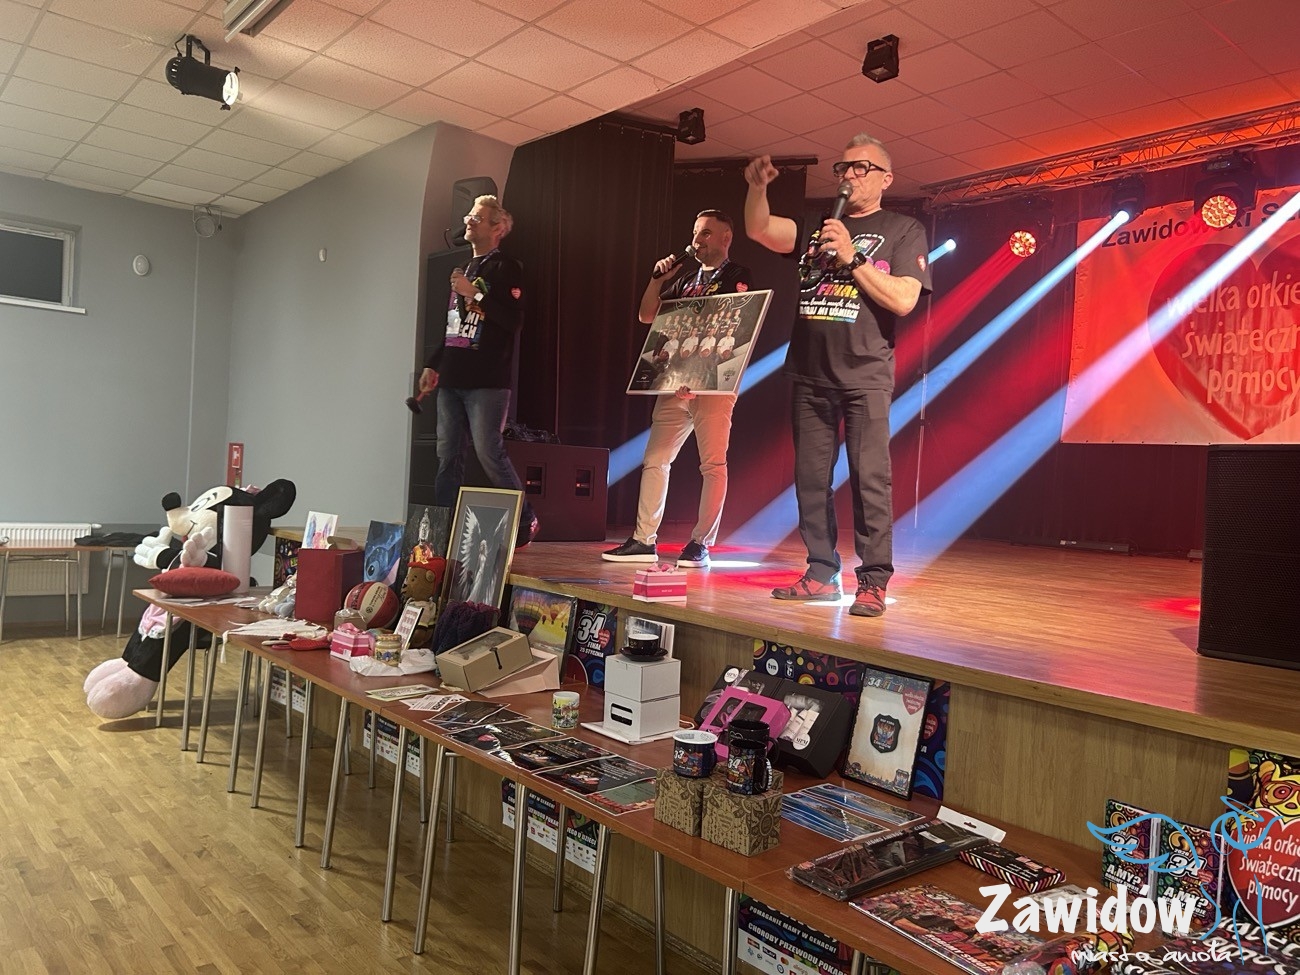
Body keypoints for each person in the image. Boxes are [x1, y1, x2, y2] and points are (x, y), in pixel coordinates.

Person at [744, 135, 931, 616]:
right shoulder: (819, 224)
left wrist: (853, 256)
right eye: (843, 167)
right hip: (810, 375)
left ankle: (873, 580)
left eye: (860, 167)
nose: (848, 175)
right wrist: (757, 189)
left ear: (886, 179)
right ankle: (822, 572)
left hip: (865, 376)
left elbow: (904, 299)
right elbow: (760, 228)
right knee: (810, 481)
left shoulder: (904, 229)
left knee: (870, 481)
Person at [603, 210, 752, 568]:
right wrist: (657, 279)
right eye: (696, 232)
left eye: (706, 233)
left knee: (712, 463)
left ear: (726, 238)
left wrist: (698, 377)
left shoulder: (737, 275)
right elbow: (647, 315)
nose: (697, 240)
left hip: (713, 385)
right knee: (655, 459)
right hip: (674, 382)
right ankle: (643, 539)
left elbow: (728, 327)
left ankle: (701, 543)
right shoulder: (684, 280)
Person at [419, 195, 538, 548]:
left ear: (497, 228)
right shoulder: (463, 268)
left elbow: (513, 321)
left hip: (487, 380)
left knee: (489, 452)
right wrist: (432, 364)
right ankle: (444, 528)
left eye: (478, 217)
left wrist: (476, 294)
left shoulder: (506, 267)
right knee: (447, 455)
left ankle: (525, 518)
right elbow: (454, 326)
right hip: (452, 377)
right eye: (469, 215)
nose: (468, 220)